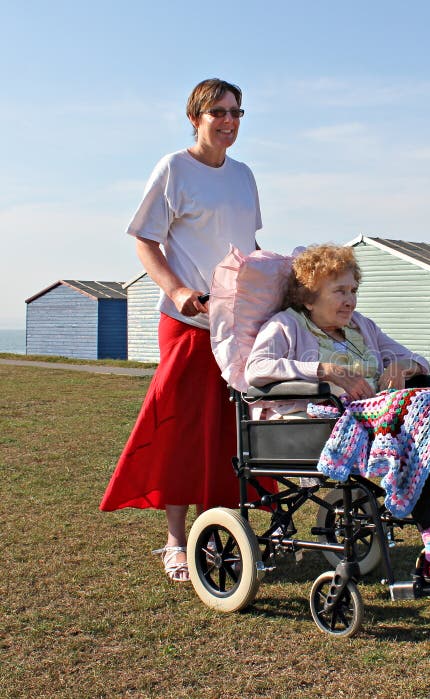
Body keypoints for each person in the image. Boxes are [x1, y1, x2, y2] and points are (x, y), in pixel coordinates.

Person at [244, 245, 430, 586]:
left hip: (375, 419)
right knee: (418, 424)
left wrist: (401, 365)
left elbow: (420, 363)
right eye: (339, 291)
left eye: (353, 290)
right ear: (309, 297)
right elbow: (256, 370)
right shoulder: (286, 325)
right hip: (319, 421)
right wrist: (323, 371)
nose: (349, 300)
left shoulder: (362, 326)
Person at [100, 78, 262, 583]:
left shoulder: (244, 175)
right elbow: (145, 242)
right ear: (195, 117)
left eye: (237, 111)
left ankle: (215, 532)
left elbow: (248, 244)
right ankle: (175, 542)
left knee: (228, 430)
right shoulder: (174, 169)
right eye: (218, 111)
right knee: (180, 426)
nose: (229, 120)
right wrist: (176, 292)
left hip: (236, 324)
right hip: (188, 322)